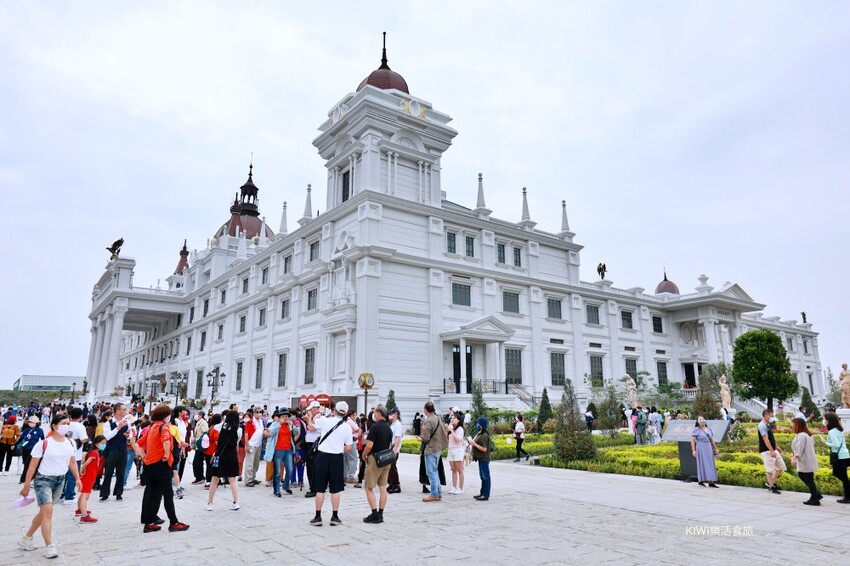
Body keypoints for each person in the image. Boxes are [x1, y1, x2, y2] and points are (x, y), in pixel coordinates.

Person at [18, 413, 80, 558]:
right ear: (54, 425)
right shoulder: (44, 444)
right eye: (63, 423)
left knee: (44, 512)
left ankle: (26, 538)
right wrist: (26, 485)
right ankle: (49, 546)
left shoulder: (71, 443)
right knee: (48, 512)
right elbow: (32, 466)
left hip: (60, 481)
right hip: (43, 481)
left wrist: (78, 478)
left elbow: (72, 462)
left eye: (68, 423)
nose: (66, 426)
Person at [130, 405, 189, 533]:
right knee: (168, 495)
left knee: (151, 493)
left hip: (150, 465)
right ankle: (174, 522)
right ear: (165, 416)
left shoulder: (152, 427)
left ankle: (149, 523)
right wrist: (166, 454)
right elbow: (166, 441)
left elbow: (138, 443)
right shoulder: (164, 427)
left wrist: (144, 456)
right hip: (161, 464)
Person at [310, 401, 354, 526]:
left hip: (322, 456)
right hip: (337, 458)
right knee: (335, 489)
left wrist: (319, 413)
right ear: (345, 413)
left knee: (320, 489)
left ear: (334, 411)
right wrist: (338, 448)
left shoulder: (325, 421)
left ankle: (318, 516)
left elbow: (313, 424)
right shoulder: (347, 427)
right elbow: (349, 447)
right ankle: (335, 516)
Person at [361, 405, 392, 523]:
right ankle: (380, 513)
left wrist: (364, 455)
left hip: (375, 458)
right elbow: (389, 445)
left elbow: (369, 445)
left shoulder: (374, 427)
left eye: (375, 412)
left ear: (378, 413)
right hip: (386, 459)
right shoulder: (388, 428)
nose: (374, 414)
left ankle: (374, 514)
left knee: (369, 487)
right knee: (383, 486)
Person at [207, 410, 241, 511]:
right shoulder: (239, 430)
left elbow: (216, 427)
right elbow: (237, 442)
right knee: (232, 479)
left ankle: (210, 503)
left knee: (214, 479)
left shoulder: (219, 427)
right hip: (232, 455)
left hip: (219, 455)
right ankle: (235, 502)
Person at [100, 403, 130, 502]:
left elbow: (130, 435)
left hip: (123, 449)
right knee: (108, 472)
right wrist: (118, 428)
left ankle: (118, 493)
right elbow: (107, 436)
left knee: (121, 472)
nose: (125, 411)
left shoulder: (127, 422)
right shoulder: (108, 423)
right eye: (123, 409)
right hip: (112, 449)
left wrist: (127, 435)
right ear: (117, 411)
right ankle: (105, 494)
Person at [418, 401, 448, 502]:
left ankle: (434, 494)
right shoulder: (437, 418)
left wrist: (421, 438)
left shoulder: (428, 421)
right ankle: (438, 492)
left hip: (430, 448)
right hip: (437, 447)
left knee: (431, 472)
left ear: (426, 410)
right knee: (435, 471)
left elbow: (426, 438)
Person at [819, 412, 850, 503]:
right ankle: (848, 496)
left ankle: (848, 497)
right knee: (843, 476)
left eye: (824, 419)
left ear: (829, 421)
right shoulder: (839, 430)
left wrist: (825, 442)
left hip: (839, 457)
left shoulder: (832, 432)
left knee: (839, 475)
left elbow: (836, 445)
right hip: (844, 455)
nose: (824, 421)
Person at [790, 417, 821, 505]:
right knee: (805, 476)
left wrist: (794, 458)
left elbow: (799, 449)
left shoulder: (802, 435)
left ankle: (815, 499)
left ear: (798, 425)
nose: (792, 426)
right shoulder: (806, 434)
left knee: (808, 478)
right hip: (807, 459)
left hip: (806, 460)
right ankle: (816, 495)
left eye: (793, 424)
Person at [62, 407, 90, 505]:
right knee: (73, 476)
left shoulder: (67, 424)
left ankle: (62, 494)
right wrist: (87, 440)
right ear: (81, 416)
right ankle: (69, 496)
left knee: (65, 475)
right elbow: (83, 439)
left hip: (65, 453)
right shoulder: (80, 426)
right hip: (76, 455)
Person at [77, 435, 106, 523]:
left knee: (83, 494)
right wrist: (81, 471)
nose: (104, 445)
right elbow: (86, 463)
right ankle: (84, 516)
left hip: (90, 476)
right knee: (85, 496)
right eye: (102, 443)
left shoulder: (94, 452)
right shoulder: (94, 453)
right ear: (96, 444)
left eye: (105, 444)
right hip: (88, 477)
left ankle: (80, 510)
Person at [758, 410, 785, 494]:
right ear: (766, 415)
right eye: (771, 416)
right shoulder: (762, 425)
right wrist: (771, 450)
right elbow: (765, 439)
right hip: (767, 451)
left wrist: (776, 447)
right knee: (770, 470)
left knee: (780, 467)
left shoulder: (767, 425)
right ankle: (772, 486)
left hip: (773, 449)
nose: (772, 418)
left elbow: (771, 438)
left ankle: (770, 483)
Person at [301, 400, 323, 498]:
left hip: (314, 445)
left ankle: (314, 488)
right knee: (311, 467)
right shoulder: (315, 418)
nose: (308, 411)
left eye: (310, 409)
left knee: (312, 467)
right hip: (309, 444)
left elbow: (312, 428)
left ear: (315, 409)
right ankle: (314, 486)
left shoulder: (319, 419)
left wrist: (309, 419)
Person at [690, 417, 719, 487]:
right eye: (700, 419)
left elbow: (712, 439)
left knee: (710, 463)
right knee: (702, 463)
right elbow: (692, 440)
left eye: (702, 419)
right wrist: (693, 450)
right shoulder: (696, 430)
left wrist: (715, 448)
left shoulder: (709, 429)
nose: (701, 420)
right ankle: (701, 481)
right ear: (697, 421)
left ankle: (711, 482)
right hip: (700, 447)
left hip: (708, 447)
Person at [468, 416, 491, 501]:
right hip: (480, 458)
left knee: (485, 477)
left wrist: (474, 444)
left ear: (481, 425)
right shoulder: (479, 434)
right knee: (482, 477)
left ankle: (485, 494)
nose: (476, 425)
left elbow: (484, 449)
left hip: (484, 458)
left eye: (478, 423)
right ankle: (482, 493)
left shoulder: (484, 436)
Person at [19, 415, 45, 484]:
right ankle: (24, 478)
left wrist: (43, 448)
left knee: (29, 464)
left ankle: (25, 479)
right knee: (25, 463)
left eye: (33, 422)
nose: (31, 423)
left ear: (36, 423)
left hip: (34, 449)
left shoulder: (39, 430)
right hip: (25, 448)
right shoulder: (26, 430)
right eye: (30, 422)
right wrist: (15, 445)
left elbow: (43, 439)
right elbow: (21, 438)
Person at [446, 411, 465, 494]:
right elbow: (447, 438)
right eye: (451, 418)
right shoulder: (451, 428)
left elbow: (457, 439)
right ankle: (454, 487)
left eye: (454, 418)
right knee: (453, 470)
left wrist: (452, 430)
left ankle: (460, 488)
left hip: (457, 450)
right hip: (450, 450)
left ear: (458, 420)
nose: (452, 419)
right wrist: (448, 431)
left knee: (459, 470)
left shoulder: (460, 429)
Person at [243, 409, 263, 487]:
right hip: (251, 444)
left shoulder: (261, 421)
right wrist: (247, 445)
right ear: (254, 413)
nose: (259, 413)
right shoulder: (250, 422)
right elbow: (246, 434)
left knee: (256, 463)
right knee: (249, 463)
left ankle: (253, 477)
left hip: (258, 444)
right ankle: (248, 480)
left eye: (260, 412)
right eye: (257, 412)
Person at [386, 408, 403, 494]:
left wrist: (395, 449)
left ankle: (396, 485)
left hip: (394, 448)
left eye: (391, 414)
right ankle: (391, 484)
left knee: (392, 467)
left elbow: (397, 437)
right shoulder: (393, 424)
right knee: (389, 467)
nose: (390, 416)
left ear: (396, 414)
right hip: (391, 447)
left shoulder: (398, 425)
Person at [191, 411, 209, 485]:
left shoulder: (203, 423)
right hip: (197, 444)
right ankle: (199, 476)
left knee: (197, 461)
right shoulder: (198, 423)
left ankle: (200, 477)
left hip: (201, 444)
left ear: (201, 415)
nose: (195, 416)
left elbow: (205, 433)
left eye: (197, 414)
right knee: (197, 462)